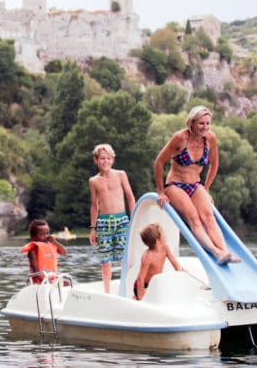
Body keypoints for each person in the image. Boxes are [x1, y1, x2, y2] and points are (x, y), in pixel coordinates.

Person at [154, 106, 241, 264]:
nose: (205, 127)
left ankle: (225, 252)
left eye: (208, 123)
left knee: (209, 216)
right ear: (191, 122)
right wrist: (160, 191)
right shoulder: (180, 138)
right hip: (175, 185)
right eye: (201, 123)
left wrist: (206, 188)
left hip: (195, 184)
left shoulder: (210, 138)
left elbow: (214, 165)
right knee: (194, 217)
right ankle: (216, 252)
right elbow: (159, 163)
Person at [88, 143, 136, 294]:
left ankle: (127, 289)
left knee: (124, 257)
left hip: (122, 220)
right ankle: (107, 292)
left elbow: (130, 197)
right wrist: (93, 229)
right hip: (103, 222)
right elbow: (94, 205)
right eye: (102, 158)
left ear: (113, 160)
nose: (106, 161)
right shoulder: (93, 181)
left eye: (108, 158)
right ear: (96, 160)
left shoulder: (121, 174)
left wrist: (133, 218)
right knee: (106, 260)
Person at [133, 223, 183, 301]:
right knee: (146, 299)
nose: (165, 233)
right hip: (144, 285)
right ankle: (135, 298)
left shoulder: (165, 248)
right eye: (163, 232)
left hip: (156, 283)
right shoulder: (147, 257)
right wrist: (141, 297)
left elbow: (174, 262)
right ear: (158, 241)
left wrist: (181, 271)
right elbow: (141, 278)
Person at [22, 220, 67, 284]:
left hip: (51, 278)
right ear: (34, 236)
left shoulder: (51, 245)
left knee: (67, 283)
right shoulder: (33, 250)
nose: (46, 236)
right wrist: (45, 282)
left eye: (47, 233)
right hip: (39, 281)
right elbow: (35, 270)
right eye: (42, 234)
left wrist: (55, 242)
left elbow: (64, 252)